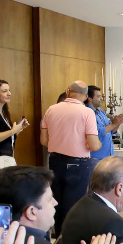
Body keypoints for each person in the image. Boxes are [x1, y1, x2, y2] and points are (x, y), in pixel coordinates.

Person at [40, 81, 101, 232]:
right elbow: (93, 145)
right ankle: (70, 238)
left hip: (55, 161)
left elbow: (43, 141)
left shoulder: (51, 109)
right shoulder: (87, 112)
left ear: (68, 92)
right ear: (86, 96)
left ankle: (58, 233)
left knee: (57, 200)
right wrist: (99, 144)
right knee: (74, 203)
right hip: (78, 164)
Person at [86, 85, 123, 166]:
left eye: (101, 96)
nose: (101, 99)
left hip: (108, 156)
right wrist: (114, 124)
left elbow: (111, 131)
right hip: (96, 158)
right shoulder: (88, 113)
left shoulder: (101, 112)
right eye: (98, 96)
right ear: (90, 98)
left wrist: (118, 122)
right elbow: (98, 132)